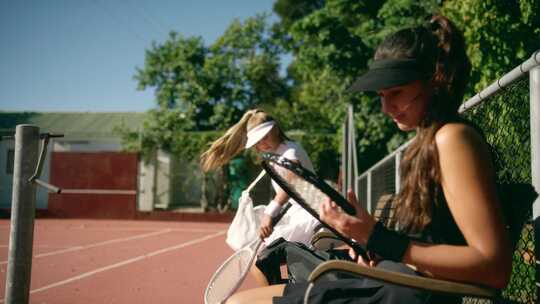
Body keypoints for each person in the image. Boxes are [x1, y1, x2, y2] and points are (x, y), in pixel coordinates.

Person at [225, 15, 512, 304]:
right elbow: (431, 242)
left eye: (396, 92)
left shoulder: (452, 138)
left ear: (434, 80)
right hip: (394, 280)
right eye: (381, 95)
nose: (386, 107)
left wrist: (377, 238)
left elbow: (494, 267)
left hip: (405, 292)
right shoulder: (429, 142)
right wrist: (370, 241)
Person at [200, 109, 321, 284]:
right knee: (264, 260)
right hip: (301, 214)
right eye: (258, 141)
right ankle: (284, 293)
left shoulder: (290, 152)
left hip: (309, 217)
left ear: (276, 130)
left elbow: (291, 183)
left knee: (259, 261)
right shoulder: (277, 151)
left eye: (265, 137)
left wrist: (269, 214)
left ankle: (280, 295)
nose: (262, 144)